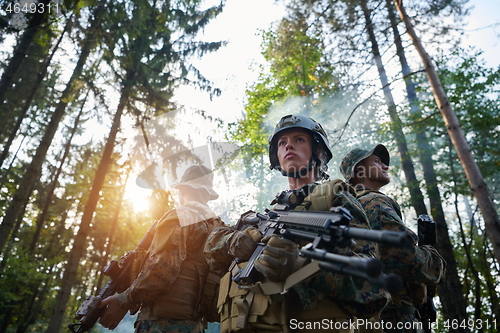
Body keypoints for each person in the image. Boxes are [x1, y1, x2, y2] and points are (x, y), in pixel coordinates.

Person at [204, 114, 390, 333]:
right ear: (277, 156)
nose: (288, 145)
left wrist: (304, 269)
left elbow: (373, 288)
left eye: (299, 139)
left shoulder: (336, 200)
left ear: (318, 152)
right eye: (282, 143)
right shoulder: (269, 214)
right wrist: (235, 242)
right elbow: (210, 252)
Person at [98, 164, 225, 333]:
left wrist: (123, 300)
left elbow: (162, 270)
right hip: (195, 326)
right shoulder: (219, 228)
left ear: (182, 190)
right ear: (208, 195)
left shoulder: (180, 216)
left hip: (161, 325)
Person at [339, 144, 446, 333]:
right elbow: (406, 260)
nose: (386, 166)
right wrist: (434, 260)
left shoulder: (349, 206)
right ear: (359, 170)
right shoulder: (375, 203)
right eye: (377, 161)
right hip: (395, 319)